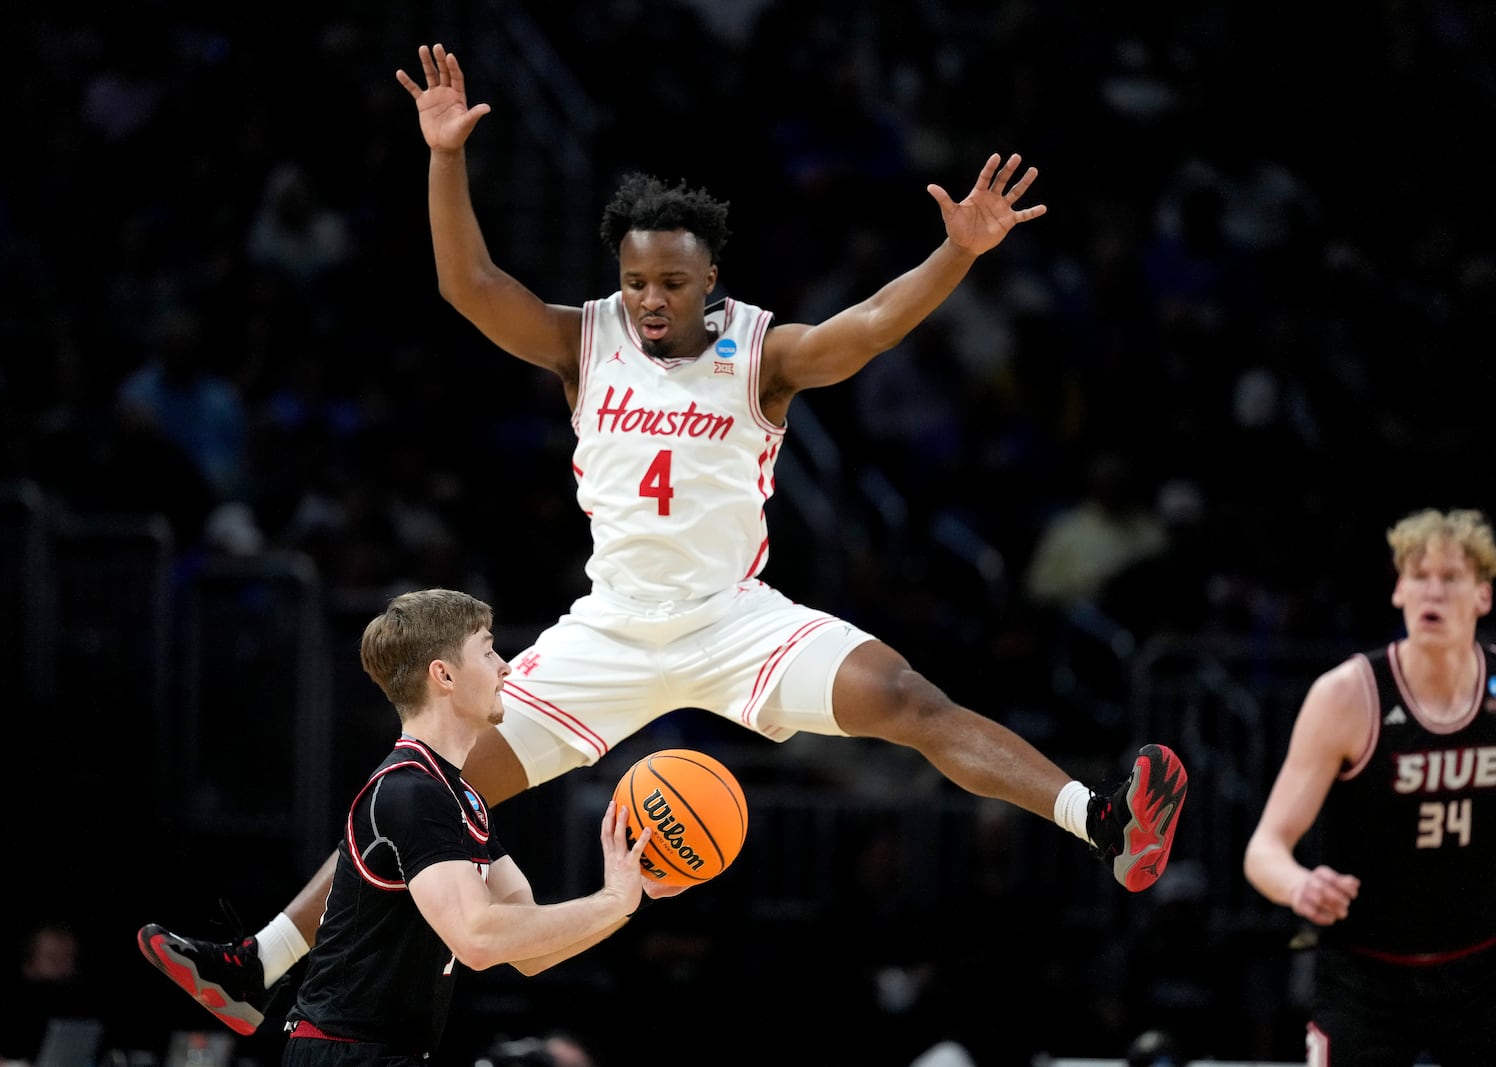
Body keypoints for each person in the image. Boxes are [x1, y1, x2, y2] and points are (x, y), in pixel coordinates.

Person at [137, 41, 1189, 1035]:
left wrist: (954, 254)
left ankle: (1102, 821)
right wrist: (446, 156)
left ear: (708, 280)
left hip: (735, 623)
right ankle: (253, 968)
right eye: (636, 279)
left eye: (671, 284)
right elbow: (467, 288)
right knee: (415, 784)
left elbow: (863, 327)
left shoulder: (760, 353)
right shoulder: (583, 335)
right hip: (605, 635)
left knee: (910, 700)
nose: (649, 299)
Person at [145, 589, 663, 1062]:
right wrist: (610, 902)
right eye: (487, 651)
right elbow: (478, 940)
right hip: (345, 1053)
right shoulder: (410, 792)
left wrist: (626, 898)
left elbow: (530, 950)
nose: (506, 667)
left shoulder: (458, 797)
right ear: (444, 675)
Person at [1243, 507, 1496, 1065]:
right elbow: (1264, 849)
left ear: (1483, 596)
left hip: (1482, 967)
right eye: (1418, 576)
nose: (1433, 591)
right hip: (1366, 975)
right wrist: (1300, 886)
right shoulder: (1346, 697)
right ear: (1399, 592)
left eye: (1451, 577)